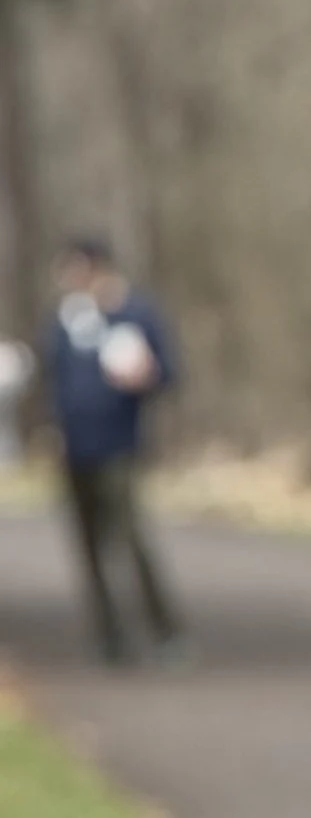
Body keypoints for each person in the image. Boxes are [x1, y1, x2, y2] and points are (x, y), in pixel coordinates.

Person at [44, 235, 184, 664]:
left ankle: (166, 632)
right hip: (75, 448)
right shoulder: (67, 321)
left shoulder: (135, 314)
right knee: (88, 546)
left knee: (129, 539)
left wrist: (147, 377)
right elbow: (56, 380)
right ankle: (110, 637)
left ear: (96, 267)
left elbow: (169, 374)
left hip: (118, 446)